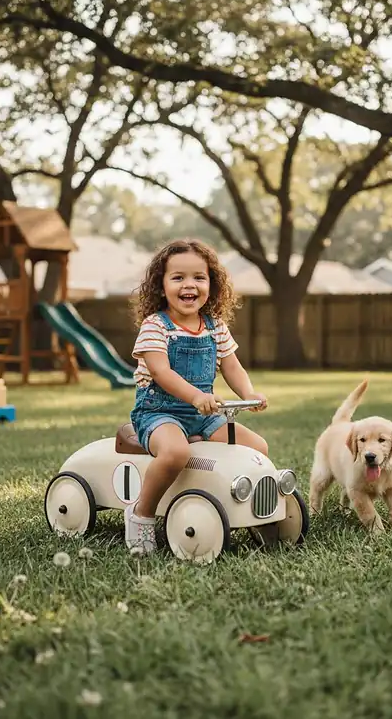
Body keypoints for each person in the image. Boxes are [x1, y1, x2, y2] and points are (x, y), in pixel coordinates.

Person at [125, 238, 268, 555]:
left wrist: (248, 393)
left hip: (203, 414)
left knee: (257, 447)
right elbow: (162, 372)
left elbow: (232, 366)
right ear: (161, 286)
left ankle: (251, 510)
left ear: (211, 284)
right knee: (175, 452)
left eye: (198, 277)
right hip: (159, 412)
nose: (189, 285)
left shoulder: (215, 327)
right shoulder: (155, 326)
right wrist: (194, 396)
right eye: (178, 277)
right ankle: (141, 515)